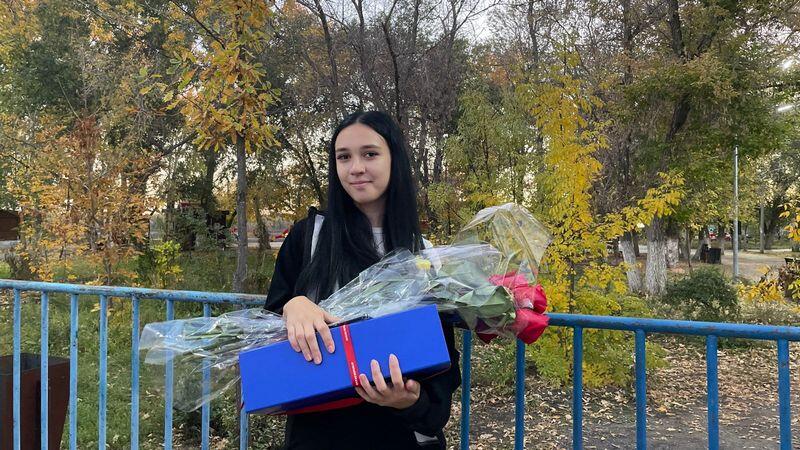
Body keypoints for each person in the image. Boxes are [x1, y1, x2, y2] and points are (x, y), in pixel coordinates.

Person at [263, 111, 461, 449]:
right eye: (344, 157)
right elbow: (267, 336)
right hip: (317, 437)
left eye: (370, 154)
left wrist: (410, 401)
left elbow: (441, 380)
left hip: (398, 439)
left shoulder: (424, 256)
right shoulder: (309, 238)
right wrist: (292, 306)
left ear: (394, 159)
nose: (355, 168)